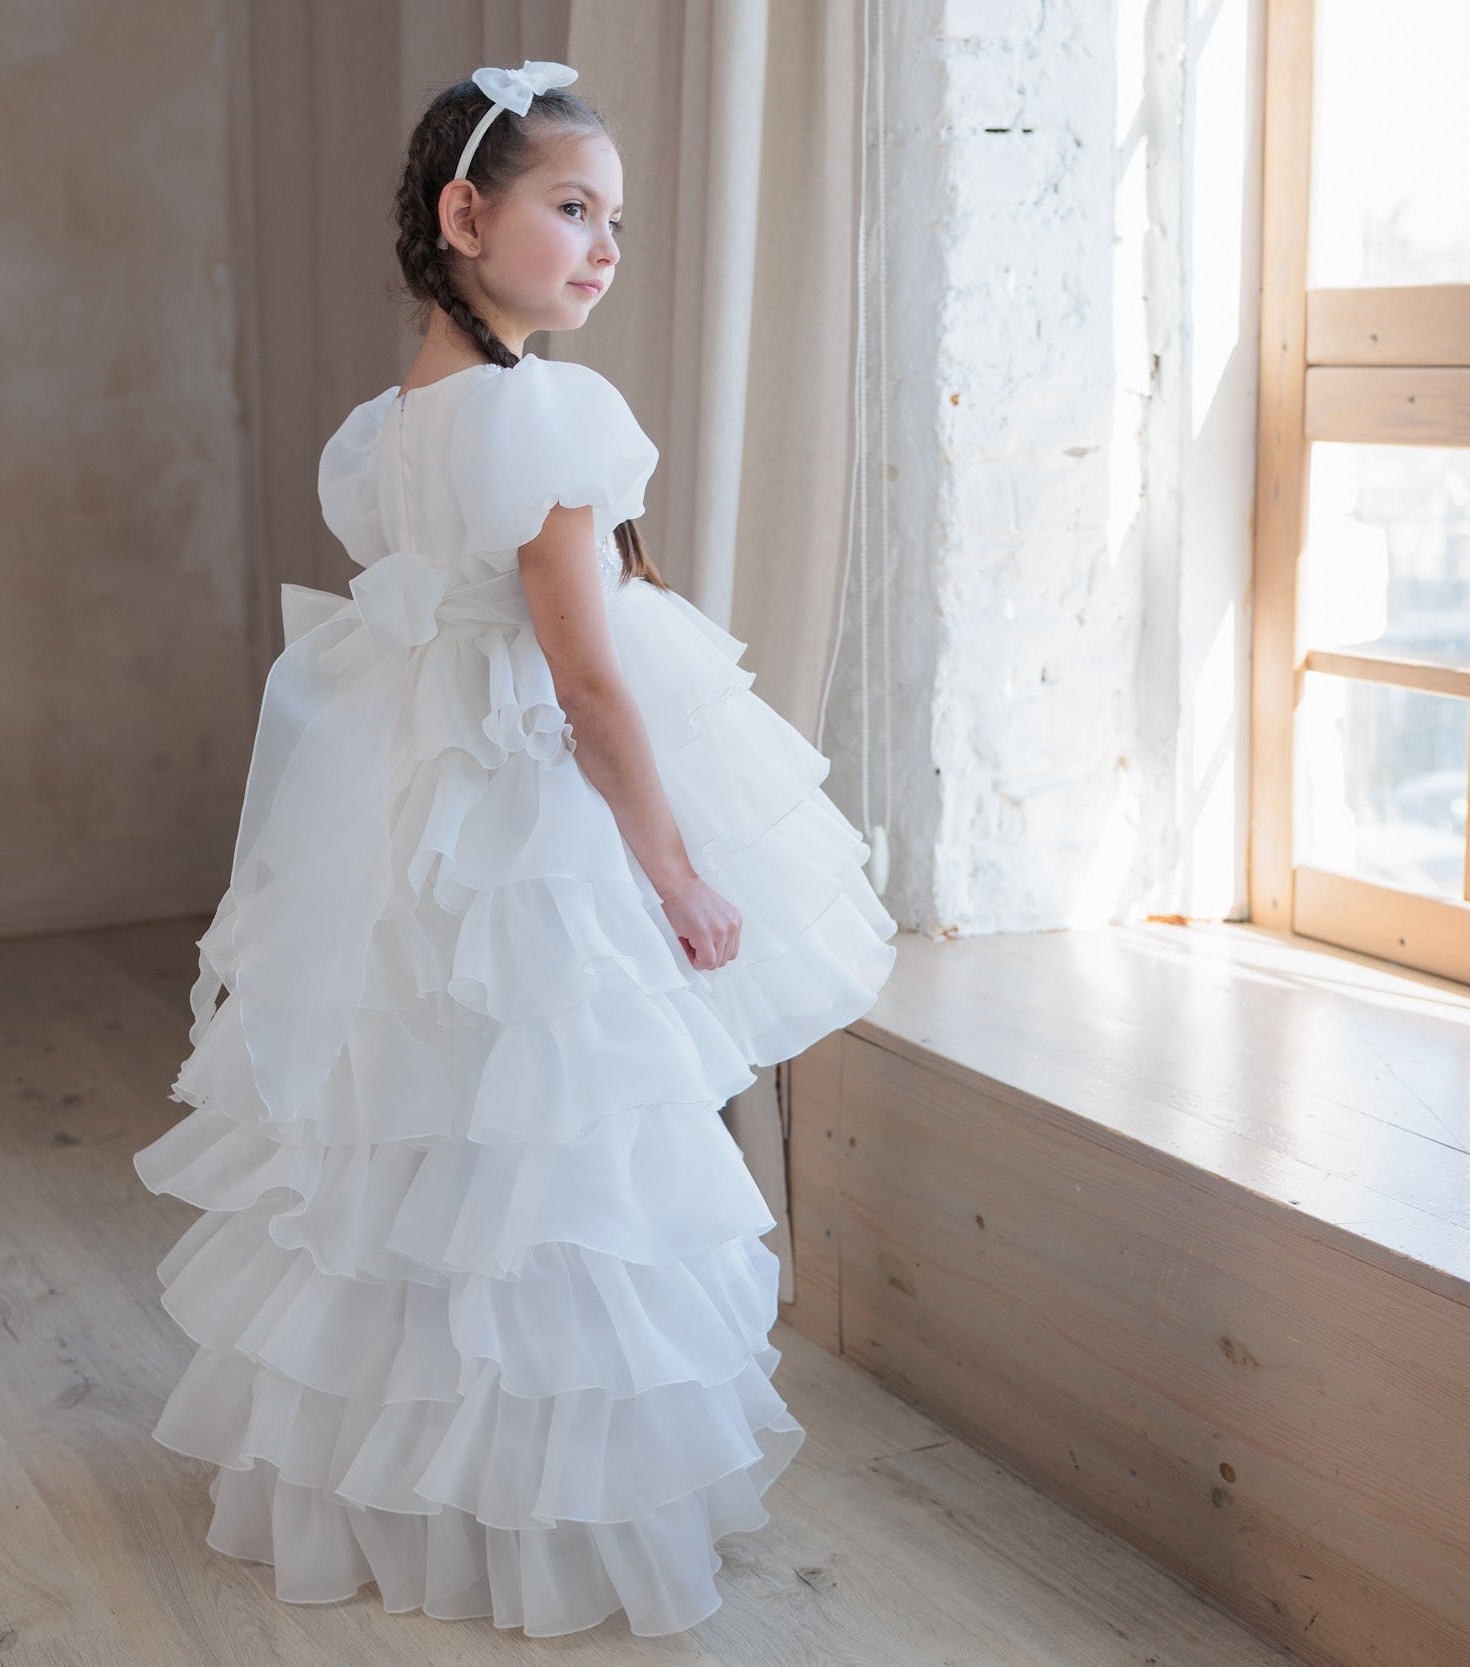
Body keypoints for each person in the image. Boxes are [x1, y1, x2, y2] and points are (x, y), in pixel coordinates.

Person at [132, 58, 898, 1638]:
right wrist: (677, 872)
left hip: (414, 828)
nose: (606, 246)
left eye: (617, 217)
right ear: (464, 214)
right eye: (572, 208)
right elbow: (586, 675)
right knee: (551, 1149)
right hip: (527, 824)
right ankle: (547, 1503)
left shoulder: (387, 425)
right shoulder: (544, 412)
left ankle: (388, 1480)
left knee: (416, 1136)